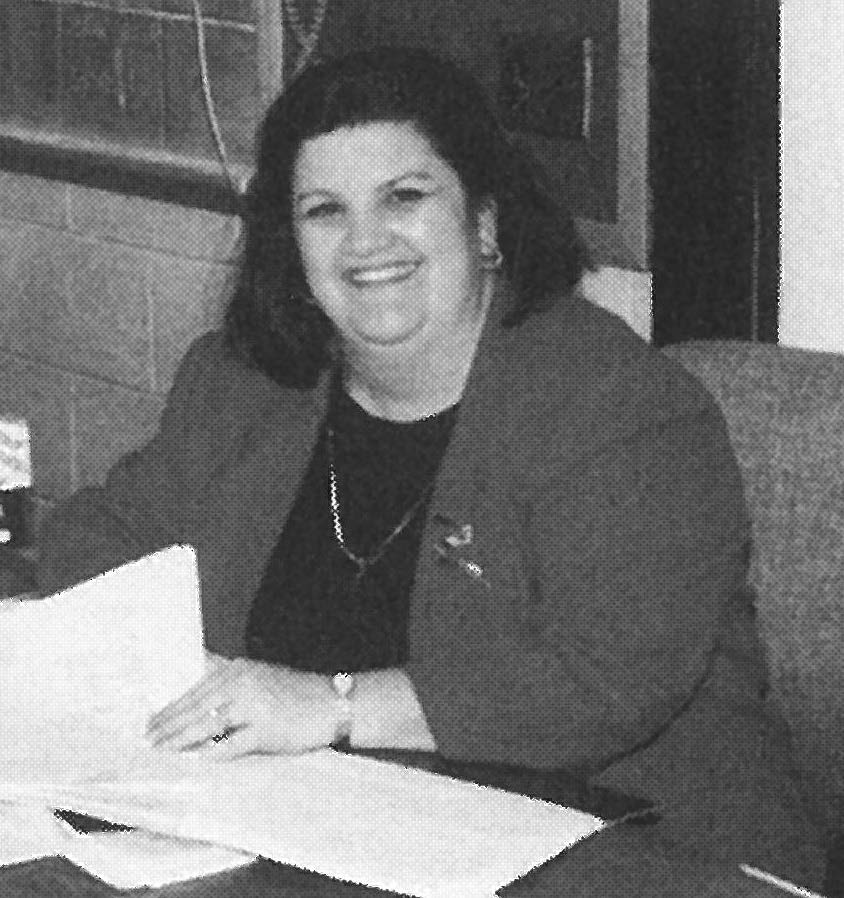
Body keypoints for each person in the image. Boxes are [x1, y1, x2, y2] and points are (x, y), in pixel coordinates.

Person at [38, 46, 823, 889]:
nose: (365, 241)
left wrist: (332, 706)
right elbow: (100, 540)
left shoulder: (618, 407)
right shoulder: (241, 387)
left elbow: (603, 684)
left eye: (404, 197)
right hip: (324, 840)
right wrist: (146, 666)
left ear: (484, 224)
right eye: (324, 211)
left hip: (634, 855)